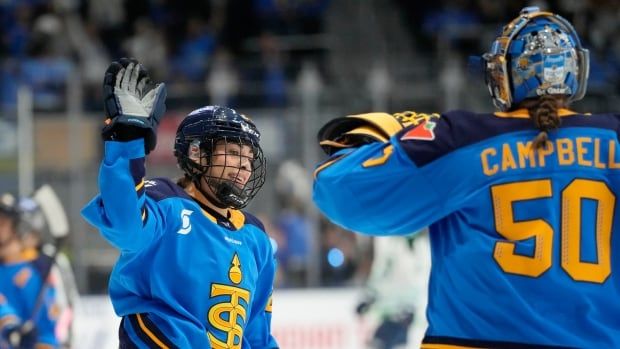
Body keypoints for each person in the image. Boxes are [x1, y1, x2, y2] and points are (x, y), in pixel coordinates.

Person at [313, 6, 620, 348]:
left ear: (503, 75)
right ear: (576, 71)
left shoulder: (461, 138)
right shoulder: (615, 139)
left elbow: (339, 192)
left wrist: (393, 130)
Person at [81, 58, 279, 348]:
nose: (245, 166)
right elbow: (125, 225)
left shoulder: (256, 236)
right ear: (198, 154)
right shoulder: (165, 202)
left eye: (249, 158)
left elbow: (257, 333)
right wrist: (127, 141)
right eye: (234, 153)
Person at [0, 193, 59, 349]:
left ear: (18, 229)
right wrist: (9, 327)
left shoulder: (33, 276)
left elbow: (47, 337)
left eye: (2, 222)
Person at [355, 231, 430, 349]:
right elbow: (380, 272)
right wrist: (370, 295)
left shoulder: (424, 246)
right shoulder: (388, 241)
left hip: (411, 317)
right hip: (394, 314)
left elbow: (424, 282)